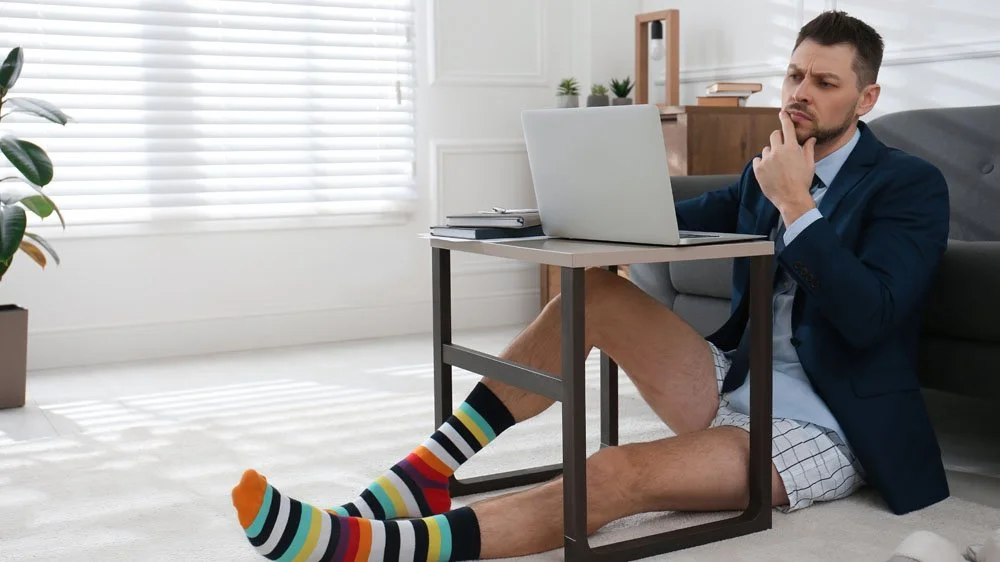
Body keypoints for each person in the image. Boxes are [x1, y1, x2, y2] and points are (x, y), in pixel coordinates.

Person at [230, 10, 952, 561]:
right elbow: (668, 214)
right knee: (597, 295)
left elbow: (870, 316)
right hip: (737, 384)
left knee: (612, 475)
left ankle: (370, 550)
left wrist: (800, 204)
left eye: (824, 84)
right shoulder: (766, 169)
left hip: (823, 427)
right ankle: (426, 473)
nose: (800, 95)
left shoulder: (910, 185)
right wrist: (554, 212)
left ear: (866, 97)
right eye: (795, 75)